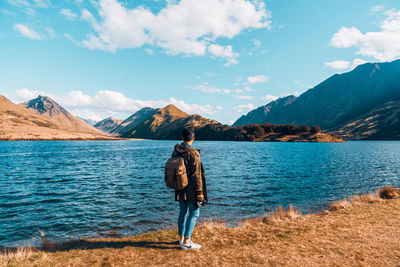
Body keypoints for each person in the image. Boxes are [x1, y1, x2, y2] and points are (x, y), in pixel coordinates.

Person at [171, 128, 207, 249]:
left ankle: (181, 238)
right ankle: (186, 242)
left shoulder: (176, 150)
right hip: (191, 189)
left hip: (180, 186)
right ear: (193, 139)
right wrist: (199, 192)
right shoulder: (193, 153)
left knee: (182, 212)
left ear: (182, 138)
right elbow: (196, 175)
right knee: (194, 213)